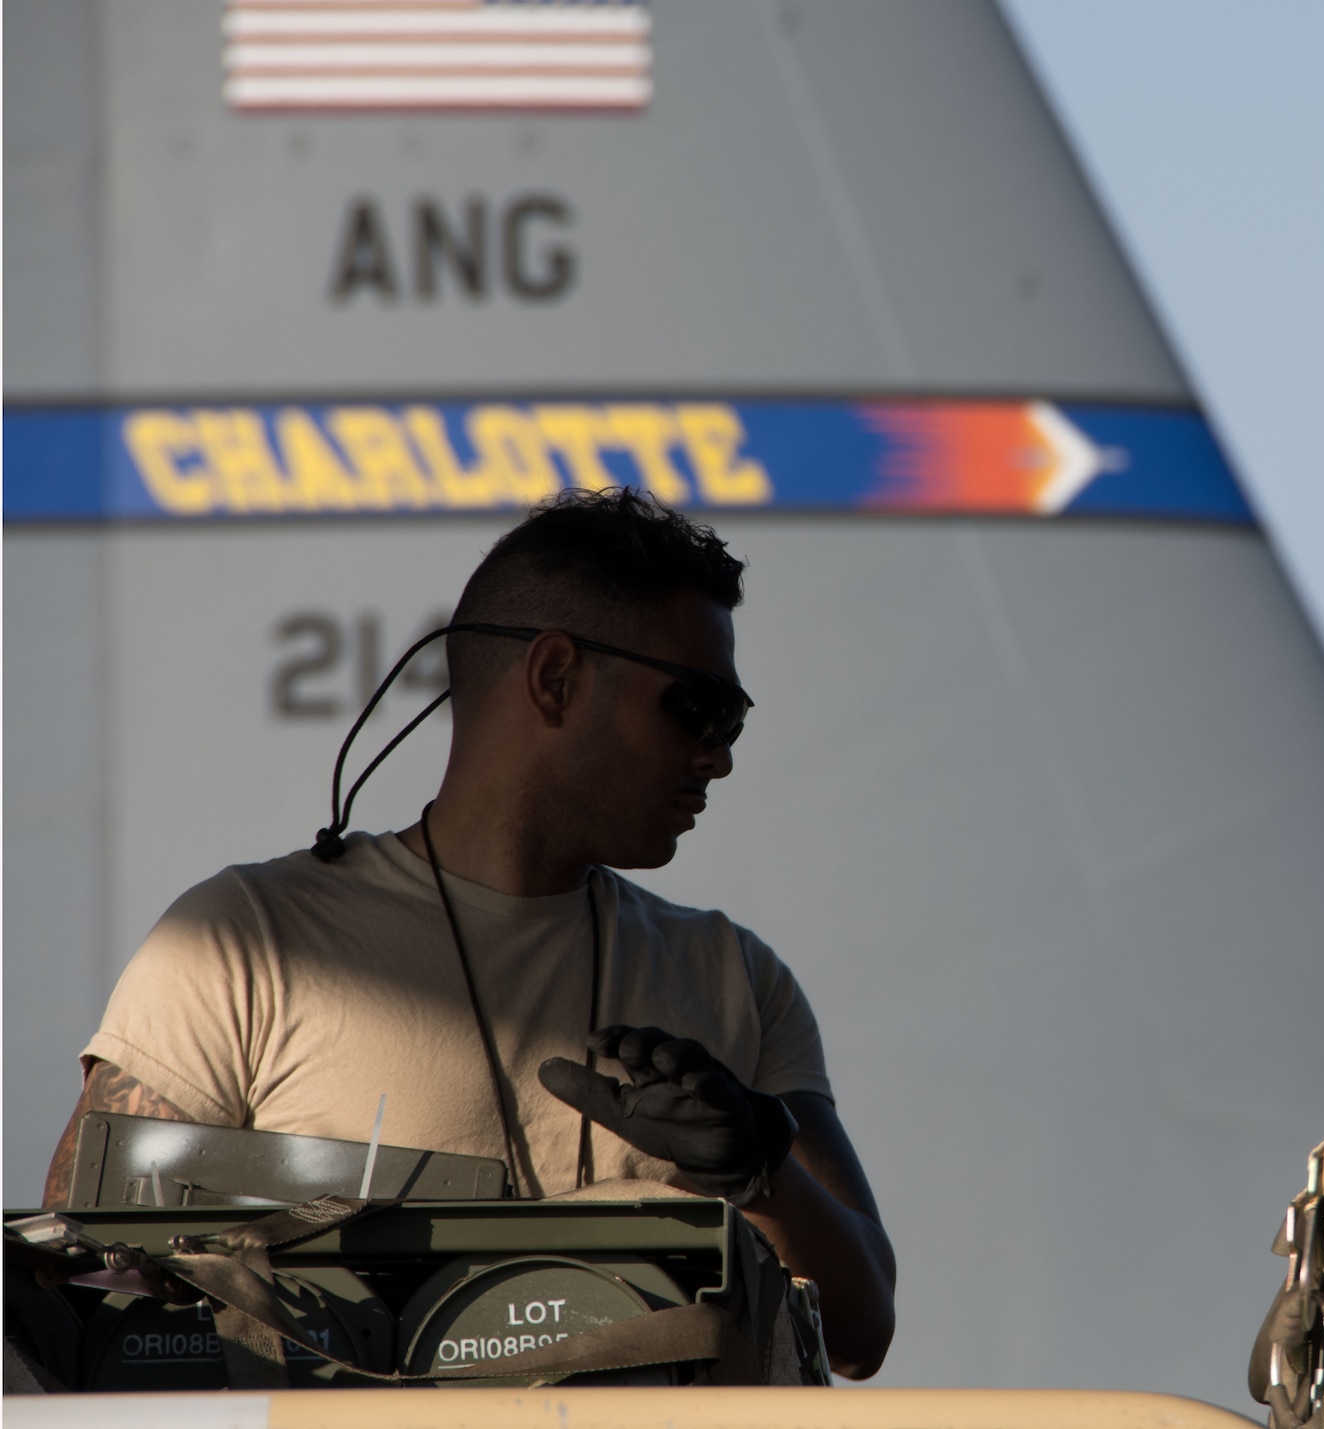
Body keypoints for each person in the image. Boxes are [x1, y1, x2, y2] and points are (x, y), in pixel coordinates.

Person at [42, 488, 896, 1379]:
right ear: (556, 677)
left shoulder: (737, 977)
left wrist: (762, 1171)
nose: (719, 752)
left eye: (735, 721)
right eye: (699, 707)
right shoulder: (243, 944)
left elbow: (862, 1328)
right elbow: (79, 1302)